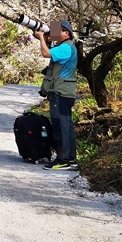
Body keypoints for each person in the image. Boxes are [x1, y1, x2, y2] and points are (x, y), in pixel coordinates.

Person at [35, 20, 79, 170]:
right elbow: (50, 48)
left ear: (66, 33)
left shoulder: (66, 47)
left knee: (61, 126)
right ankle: (70, 158)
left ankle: (63, 159)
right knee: (66, 126)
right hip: (64, 91)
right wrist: (43, 36)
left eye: (57, 30)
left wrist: (42, 37)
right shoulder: (64, 46)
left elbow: (45, 53)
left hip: (61, 92)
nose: (53, 33)